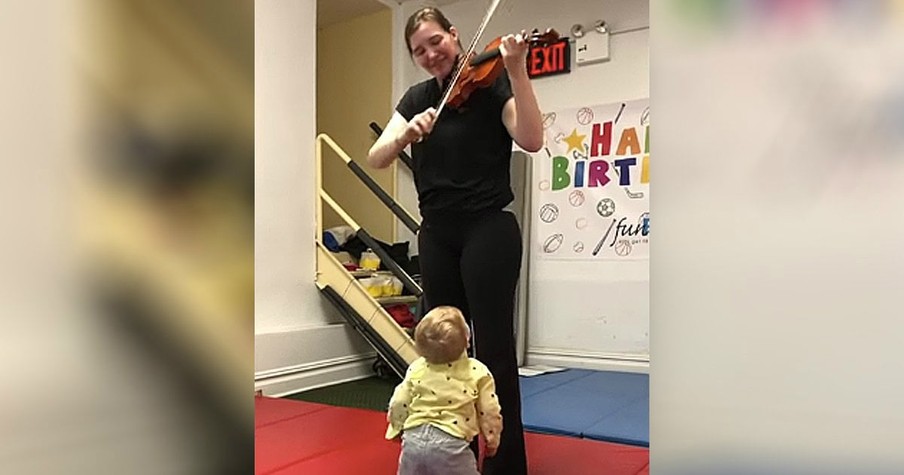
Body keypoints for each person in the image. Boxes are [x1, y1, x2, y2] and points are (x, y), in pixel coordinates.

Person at [368, 6, 542, 475]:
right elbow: (376, 156)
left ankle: (506, 465)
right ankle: (450, 455)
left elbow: (531, 138)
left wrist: (518, 70)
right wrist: (404, 133)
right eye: (418, 50)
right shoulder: (416, 98)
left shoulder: (492, 85)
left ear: (454, 34)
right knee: (441, 350)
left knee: (495, 350)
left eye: (435, 42)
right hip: (439, 232)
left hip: (489, 227)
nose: (430, 54)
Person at [386, 306, 503, 475]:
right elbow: (490, 410)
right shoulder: (476, 371)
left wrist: (396, 427)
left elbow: (399, 401)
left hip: (413, 440)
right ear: (467, 339)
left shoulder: (416, 368)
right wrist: (492, 439)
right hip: (451, 445)